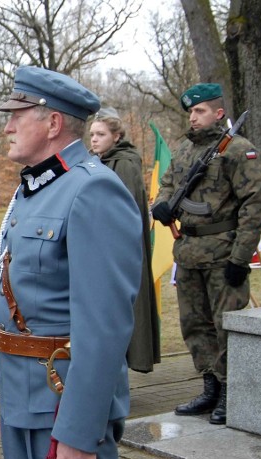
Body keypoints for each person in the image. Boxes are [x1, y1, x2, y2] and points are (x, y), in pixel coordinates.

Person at [0, 66, 140, 459]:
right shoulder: (36, 189)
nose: (7, 126)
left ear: (52, 123)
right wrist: (9, 403)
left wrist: (78, 431)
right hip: (25, 399)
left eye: (17, 116)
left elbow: (105, 327)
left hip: (63, 403)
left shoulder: (92, 189)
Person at [151, 83, 261, 425]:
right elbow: (170, 185)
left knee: (225, 326)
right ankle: (210, 388)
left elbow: (256, 202)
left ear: (218, 113)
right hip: (188, 252)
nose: (193, 116)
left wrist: (240, 256)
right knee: (194, 324)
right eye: (191, 111)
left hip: (223, 253)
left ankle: (232, 391)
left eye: (200, 111)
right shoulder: (185, 150)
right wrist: (162, 205)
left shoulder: (237, 150)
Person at [89, 108, 161, 373]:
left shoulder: (125, 164)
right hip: (96, 250)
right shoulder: (94, 161)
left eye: (101, 134)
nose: (94, 139)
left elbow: (122, 215)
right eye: (92, 134)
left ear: (116, 136)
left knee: (120, 315)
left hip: (117, 254)